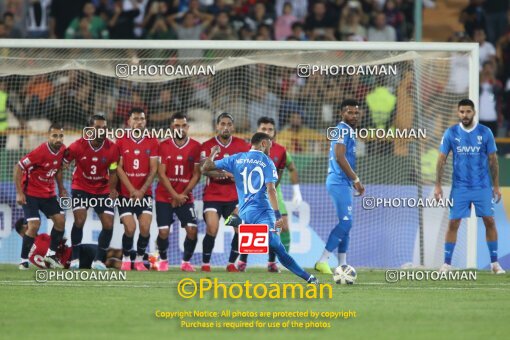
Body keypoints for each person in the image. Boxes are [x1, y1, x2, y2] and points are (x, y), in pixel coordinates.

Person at [202, 132, 318, 284]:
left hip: (244, 212)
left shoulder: (237, 158)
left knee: (256, 242)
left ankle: (239, 239)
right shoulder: (267, 161)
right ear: (263, 143)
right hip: (262, 212)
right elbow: (271, 190)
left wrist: (213, 153)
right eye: (270, 143)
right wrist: (278, 215)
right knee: (278, 247)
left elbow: (205, 168)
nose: (271, 147)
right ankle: (309, 278)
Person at [435, 99, 505, 274]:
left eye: (467, 111)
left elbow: (493, 160)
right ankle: (446, 263)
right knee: (453, 223)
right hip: (460, 188)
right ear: (458, 113)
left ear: (474, 112)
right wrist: (437, 185)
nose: (464, 115)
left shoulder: (485, 132)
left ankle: (495, 264)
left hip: (482, 186)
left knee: (489, 221)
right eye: (461, 112)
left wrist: (496, 186)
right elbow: (441, 159)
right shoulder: (451, 132)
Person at [233, 117, 303, 272]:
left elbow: (291, 168)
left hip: (273, 193)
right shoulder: (247, 150)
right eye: (263, 129)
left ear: (275, 132)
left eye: (270, 129)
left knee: (282, 226)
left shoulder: (281, 151)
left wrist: (296, 191)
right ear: (257, 131)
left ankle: (274, 262)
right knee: (248, 226)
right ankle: (243, 261)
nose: (267, 132)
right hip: (251, 195)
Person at [315, 99, 365, 274]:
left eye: (356, 112)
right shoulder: (342, 129)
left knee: (347, 224)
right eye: (349, 112)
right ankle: (323, 260)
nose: (353, 115)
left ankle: (343, 264)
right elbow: (339, 156)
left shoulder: (349, 131)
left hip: (343, 182)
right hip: (338, 181)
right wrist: (356, 179)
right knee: (346, 223)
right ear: (341, 113)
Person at [64, 115, 120, 270]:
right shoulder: (77, 146)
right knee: (80, 220)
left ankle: (98, 261)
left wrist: (112, 189)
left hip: (102, 189)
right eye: (98, 128)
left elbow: (113, 171)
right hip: (81, 187)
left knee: (108, 224)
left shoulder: (113, 148)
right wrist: (61, 185)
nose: (102, 131)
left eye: (104, 128)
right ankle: (75, 258)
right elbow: (62, 163)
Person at [199, 112, 250, 272]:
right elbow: (204, 170)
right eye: (222, 124)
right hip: (212, 196)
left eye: (229, 124)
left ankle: (230, 263)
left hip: (234, 198)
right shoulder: (207, 145)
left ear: (233, 127)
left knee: (240, 229)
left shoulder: (243, 146)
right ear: (217, 126)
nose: (226, 127)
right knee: (212, 228)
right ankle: (205, 263)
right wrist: (227, 174)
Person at [14, 123, 67, 270]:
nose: (58, 139)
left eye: (60, 136)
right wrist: (19, 192)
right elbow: (19, 167)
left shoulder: (62, 150)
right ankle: (23, 261)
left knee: (60, 221)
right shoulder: (40, 152)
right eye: (54, 135)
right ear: (48, 136)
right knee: (34, 225)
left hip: (48, 194)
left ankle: (50, 255)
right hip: (30, 194)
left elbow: (58, 169)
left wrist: (61, 188)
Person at [156, 113, 202, 272]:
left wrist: (183, 195)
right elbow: (161, 174)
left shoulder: (196, 146)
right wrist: (174, 195)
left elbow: (197, 174)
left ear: (188, 127)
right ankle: (162, 259)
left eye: (183, 126)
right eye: (177, 125)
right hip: (164, 196)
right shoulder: (163, 145)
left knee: (192, 230)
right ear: (171, 127)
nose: (180, 128)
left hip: (185, 197)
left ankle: (186, 262)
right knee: (163, 231)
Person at [116, 108, 158, 271]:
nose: (139, 122)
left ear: (145, 121)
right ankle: (126, 259)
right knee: (130, 227)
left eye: (142, 119)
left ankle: (140, 259)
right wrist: (132, 189)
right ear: (129, 122)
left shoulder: (153, 141)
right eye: (135, 119)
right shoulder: (121, 140)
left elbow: (153, 169)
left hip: (145, 193)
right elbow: (118, 168)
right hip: (126, 194)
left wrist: (141, 190)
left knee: (145, 227)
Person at [14, 218, 146, 270]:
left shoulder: (29, 255)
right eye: (29, 223)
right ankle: (147, 258)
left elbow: (48, 263)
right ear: (25, 229)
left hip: (68, 265)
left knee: (109, 262)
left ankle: (144, 265)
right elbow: (56, 246)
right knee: (110, 252)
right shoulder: (41, 238)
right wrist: (62, 241)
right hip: (74, 254)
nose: (33, 224)